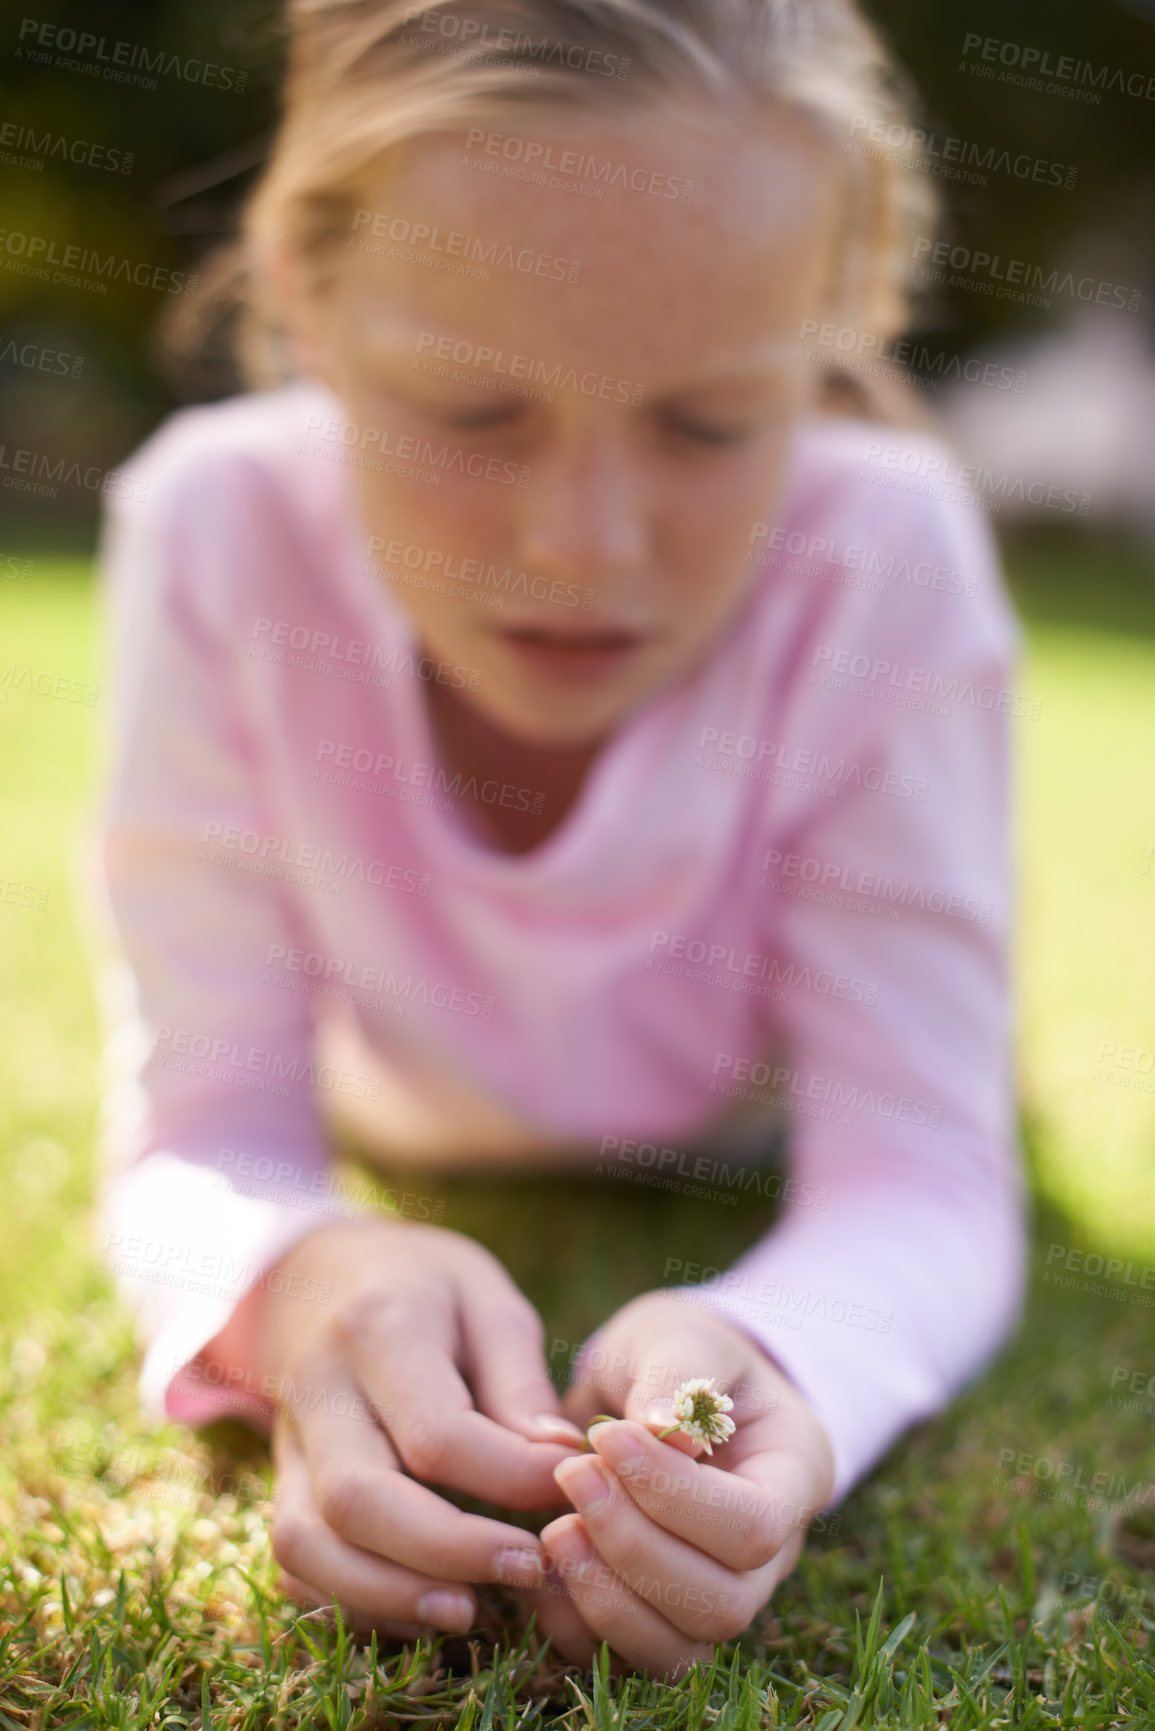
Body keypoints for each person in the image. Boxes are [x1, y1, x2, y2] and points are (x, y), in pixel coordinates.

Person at [87, 0, 1027, 1681]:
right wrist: (299, 1281)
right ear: (302, 299)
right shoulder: (214, 529)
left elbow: (929, 1171)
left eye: (710, 426)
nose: (582, 546)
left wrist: (782, 1351)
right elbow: (198, 1131)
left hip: (748, 1135)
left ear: (834, 336)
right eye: (470, 411)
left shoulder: (884, 559)